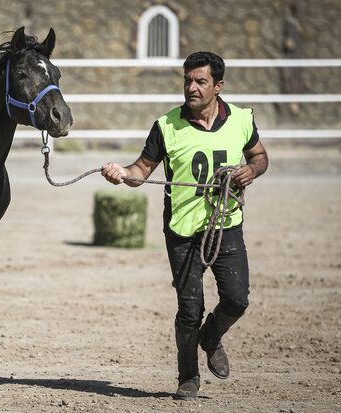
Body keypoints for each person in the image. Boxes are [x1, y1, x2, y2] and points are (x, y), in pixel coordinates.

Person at [101, 51, 268, 400]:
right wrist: (122, 175)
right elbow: (141, 170)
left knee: (236, 300)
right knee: (189, 308)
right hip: (182, 230)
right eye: (187, 80)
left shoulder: (241, 119)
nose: (191, 87)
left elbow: (259, 156)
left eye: (200, 81)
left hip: (226, 224)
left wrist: (251, 170)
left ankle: (211, 337)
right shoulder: (166, 126)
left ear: (218, 86)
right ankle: (188, 376)